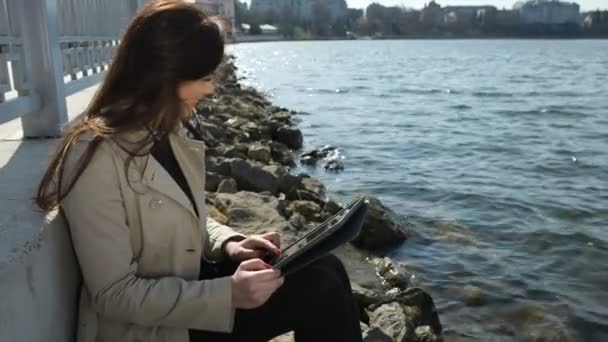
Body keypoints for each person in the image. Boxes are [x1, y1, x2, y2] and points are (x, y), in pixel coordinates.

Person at [35, 1, 362, 342]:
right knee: (320, 287)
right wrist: (229, 295)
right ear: (165, 74)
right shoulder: (96, 155)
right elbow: (114, 295)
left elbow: (187, 218)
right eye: (204, 78)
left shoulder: (165, 131)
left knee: (324, 267)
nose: (210, 90)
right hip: (153, 329)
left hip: (189, 291)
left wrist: (231, 244)